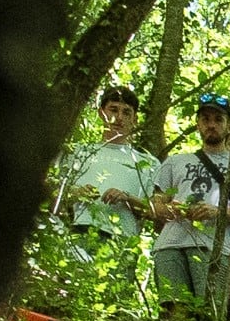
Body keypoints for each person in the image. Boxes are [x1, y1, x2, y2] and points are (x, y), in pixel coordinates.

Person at [147, 92, 230, 321]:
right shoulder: (175, 162)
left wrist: (217, 212)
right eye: (205, 119)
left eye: (218, 119)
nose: (211, 124)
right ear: (198, 124)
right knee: (175, 311)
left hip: (212, 247)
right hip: (171, 244)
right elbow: (155, 206)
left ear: (229, 125)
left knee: (211, 316)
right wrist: (175, 209)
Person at [55, 83, 158, 253]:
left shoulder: (148, 163)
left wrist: (127, 198)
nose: (119, 117)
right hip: (76, 235)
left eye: (126, 112)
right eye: (113, 109)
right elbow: (51, 196)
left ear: (135, 119)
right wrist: (76, 193)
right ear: (101, 113)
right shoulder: (78, 152)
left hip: (122, 241)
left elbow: (156, 212)